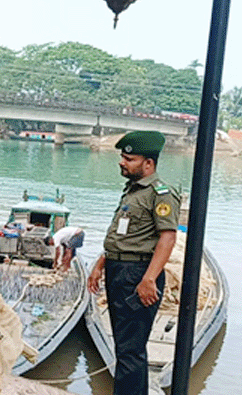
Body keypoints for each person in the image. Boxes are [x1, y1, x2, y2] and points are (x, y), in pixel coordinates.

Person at [87, 130, 180, 395]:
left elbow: (167, 239)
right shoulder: (132, 191)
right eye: (122, 157)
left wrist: (149, 279)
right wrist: (100, 265)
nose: (122, 162)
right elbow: (123, 236)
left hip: (137, 273)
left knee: (130, 351)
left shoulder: (160, 194)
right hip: (118, 270)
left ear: (148, 163)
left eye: (129, 158)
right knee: (125, 348)